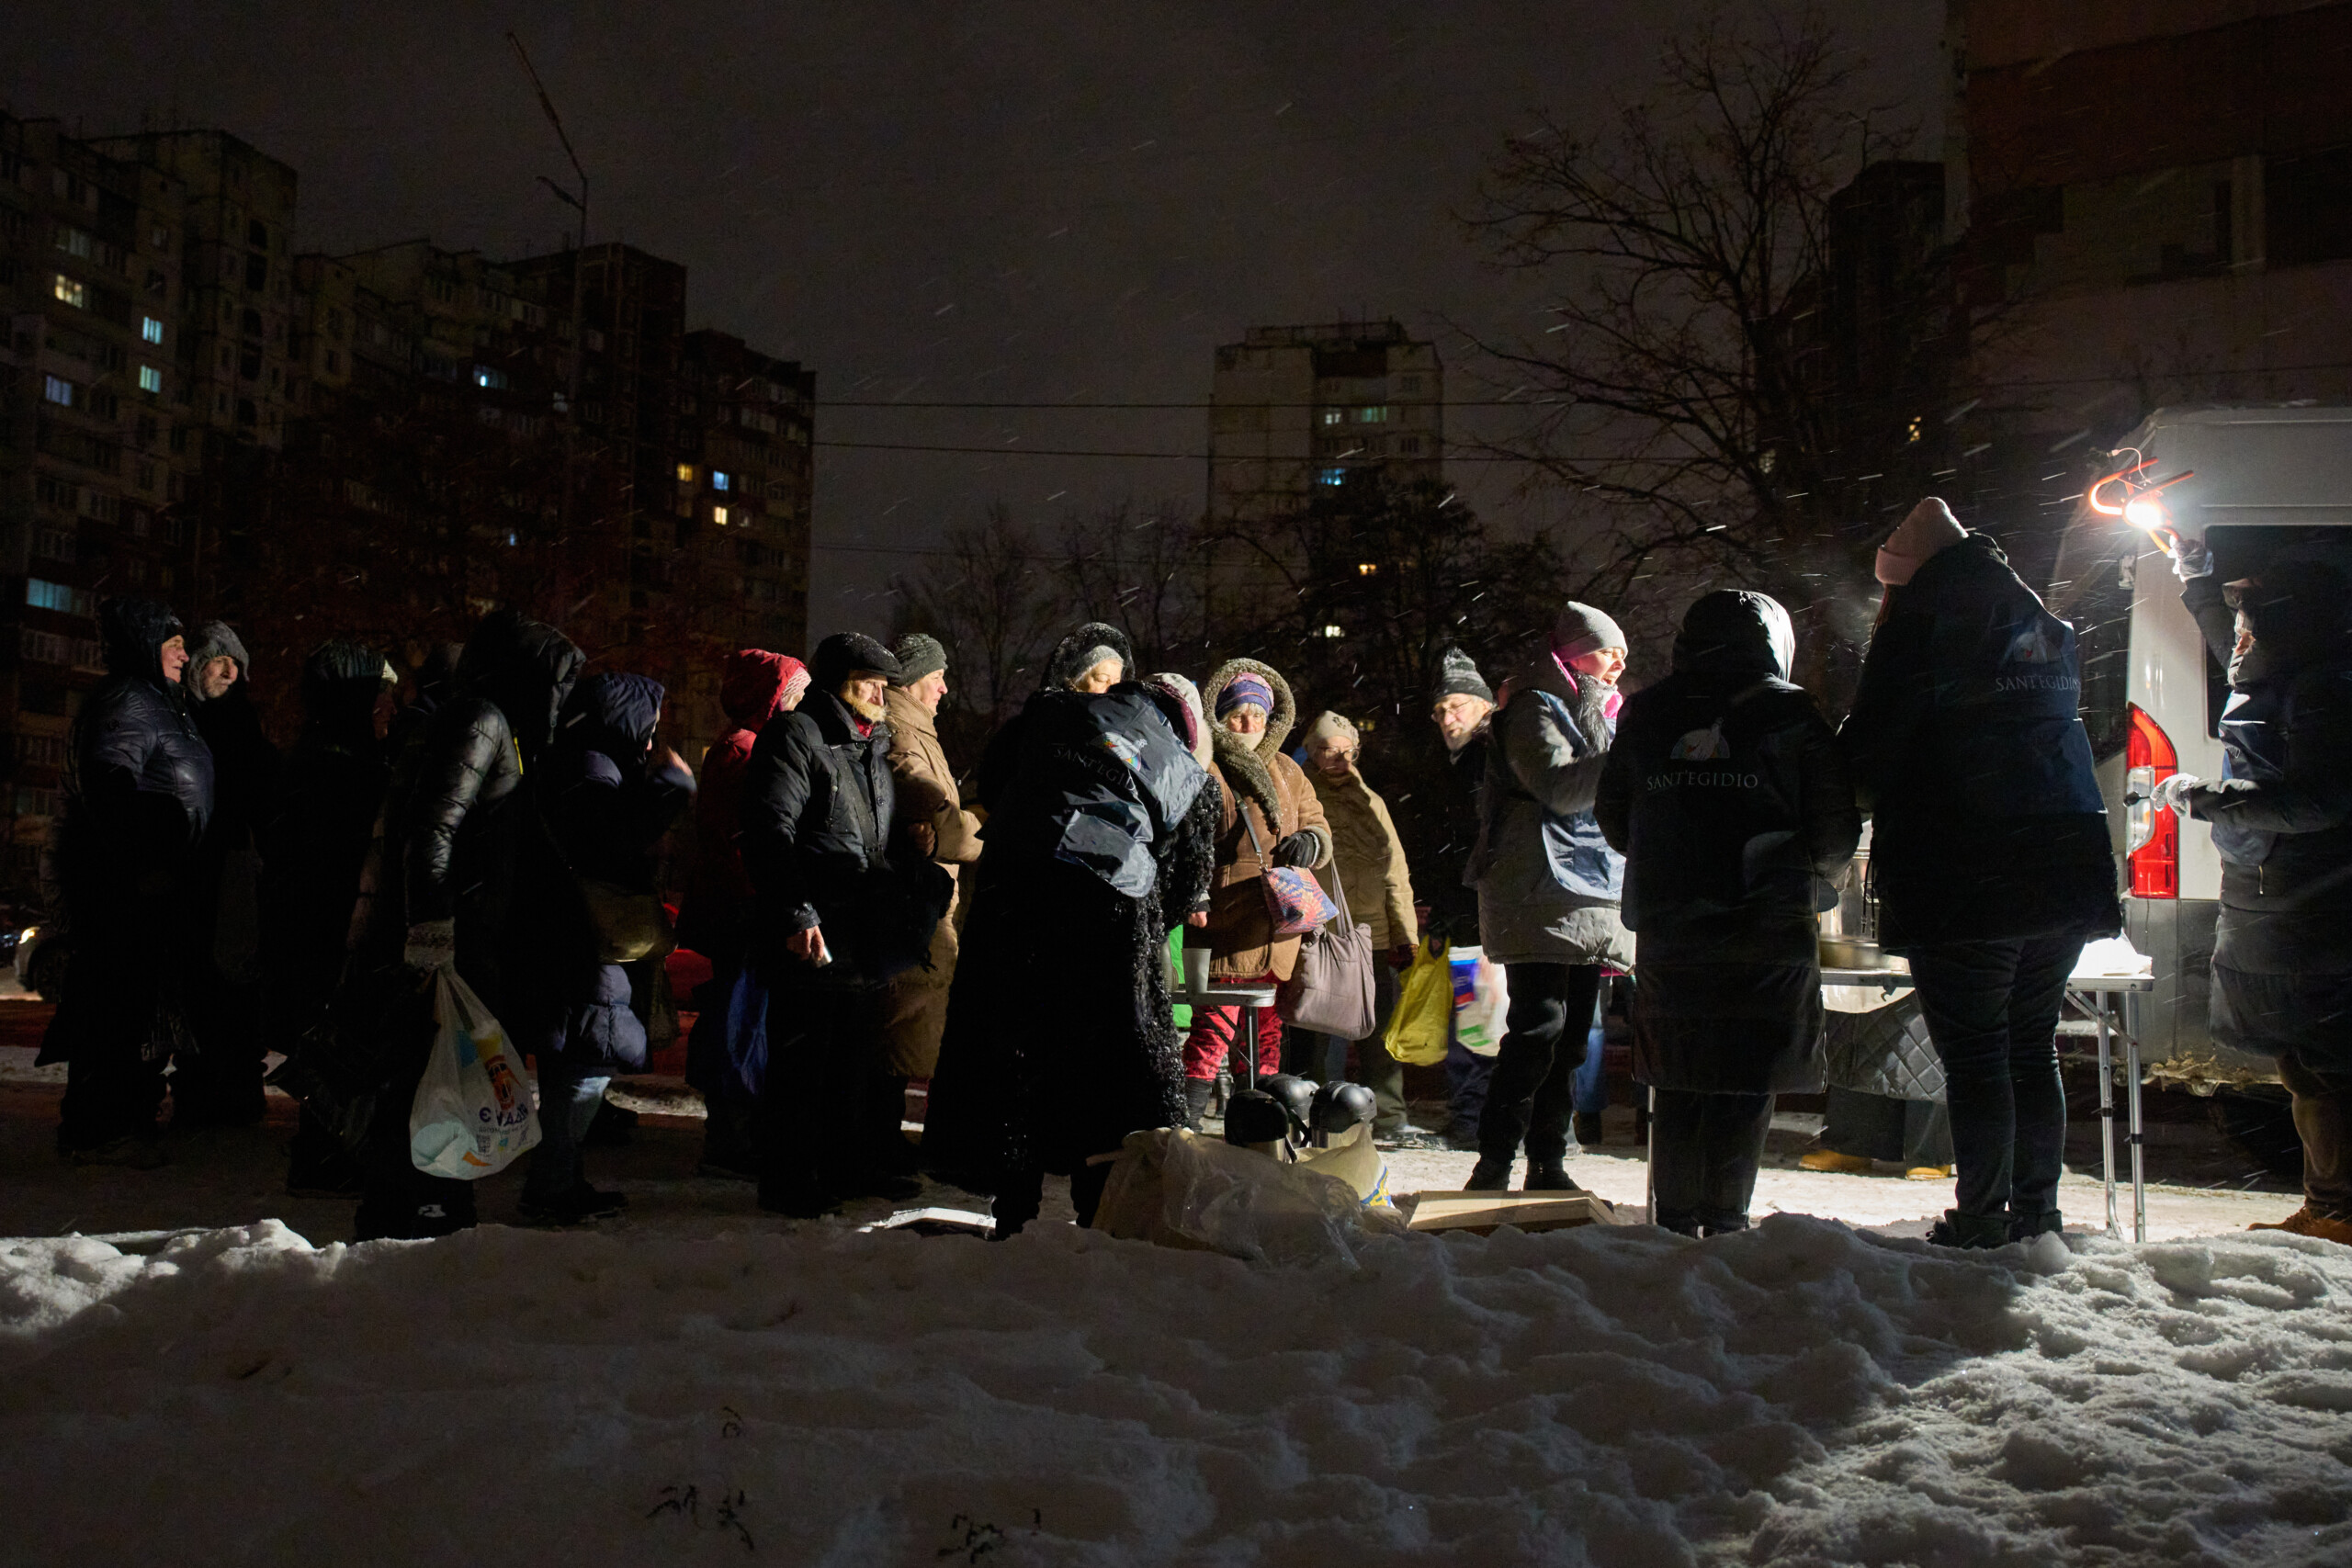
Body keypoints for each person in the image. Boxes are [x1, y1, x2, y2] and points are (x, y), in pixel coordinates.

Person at [1840, 498, 2121, 1249]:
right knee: (2030, 1043)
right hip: (2065, 859)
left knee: (1974, 1053)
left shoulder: (1922, 624)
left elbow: (1868, 756)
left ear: (1907, 579)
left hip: (1968, 866)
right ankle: (2038, 1212)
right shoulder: (2037, 621)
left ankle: (1982, 1216)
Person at [1598, 591, 1861, 1235]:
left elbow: (1614, 817)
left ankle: (1674, 1222)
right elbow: (1834, 832)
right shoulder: (1792, 712)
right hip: (1764, 925)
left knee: (1680, 1076)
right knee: (1746, 1077)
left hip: (1671, 925)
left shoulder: (1647, 711)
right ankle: (1725, 1221)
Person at [924, 671, 1218, 1235]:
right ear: (1186, 726)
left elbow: (993, 781)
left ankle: (1012, 1209)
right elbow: (1184, 880)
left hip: (1009, 894)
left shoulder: (1054, 716)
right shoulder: (1184, 770)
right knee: (1101, 1064)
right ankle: (1095, 1210)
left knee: (1015, 1051)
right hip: (1105, 909)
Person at [348, 609, 584, 1241]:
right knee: (432, 1072)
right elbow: (433, 828)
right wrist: (433, 930)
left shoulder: (482, 718)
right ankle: (420, 1202)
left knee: (437, 1071)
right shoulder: (482, 720)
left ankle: (425, 1198)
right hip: (451, 936)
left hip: (460, 930)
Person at [2155, 544, 2352, 1244]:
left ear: (2287, 620)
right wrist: (2196, 578)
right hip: (2274, 895)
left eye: (2250, 613)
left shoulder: (2326, 689)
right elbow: (2227, 642)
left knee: (2324, 1064)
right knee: (2302, 1060)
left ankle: (2339, 1210)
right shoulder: (2280, 669)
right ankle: (2328, 1204)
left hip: (2313, 900)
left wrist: (2207, 797)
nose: (2236, 629)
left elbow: (2322, 800)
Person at [739, 632, 950, 1216]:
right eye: (869, 684)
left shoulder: (871, 745)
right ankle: (788, 1181)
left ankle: (843, 1168)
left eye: (885, 685)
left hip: (859, 933)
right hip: (811, 931)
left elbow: (868, 842)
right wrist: (795, 910)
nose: (881, 695)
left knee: (850, 1063)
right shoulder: (796, 736)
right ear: (839, 684)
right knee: (802, 1065)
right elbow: (769, 831)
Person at [1465, 604, 1634, 1191]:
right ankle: (1493, 1163)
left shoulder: (1601, 716)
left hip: (1590, 890)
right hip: (1536, 886)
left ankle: (1548, 1162)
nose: (1619, 661)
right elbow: (1562, 788)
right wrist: (1631, 761)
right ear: (1572, 653)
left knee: (1570, 1040)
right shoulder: (1537, 706)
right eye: (1608, 649)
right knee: (1538, 1028)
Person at [524, 672, 695, 1224]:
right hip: (586, 940)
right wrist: (670, 785)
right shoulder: (593, 767)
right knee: (585, 1061)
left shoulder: (578, 759)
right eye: (647, 724)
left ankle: (560, 1178)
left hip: (570, 936)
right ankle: (551, 1184)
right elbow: (610, 838)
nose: (650, 738)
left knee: (577, 1059)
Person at [47, 599, 213, 1166]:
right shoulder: (128, 700)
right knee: (116, 1003)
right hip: (129, 886)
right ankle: (100, 1125)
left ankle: (126, 1114)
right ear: (147, 647)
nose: (186, 655)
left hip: (153, 881)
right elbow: (109, 785)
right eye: (174, 645)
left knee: (142, 1005)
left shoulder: (158, 701)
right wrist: (149, 852)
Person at [259, 641, 395, 1195]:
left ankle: (328, 1153)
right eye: (379, 695)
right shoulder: (336, 761)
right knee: (334, 1040)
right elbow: (325, 856)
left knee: (333, 1039)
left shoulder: (330, 752)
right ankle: (324, 1159)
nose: (388, 706)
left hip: (319, 925)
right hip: (328, 928)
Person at [1182, 659, 1332, 1127]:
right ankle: (1182, 1134)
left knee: (1267, 1038)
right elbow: (1186, 840)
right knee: (1212, 1034)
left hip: (1281, 926)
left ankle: (1258, 1137)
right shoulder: (1204, 767)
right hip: (1228, 924)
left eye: (1260, 716)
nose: (1250, 726)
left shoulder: (1288, 770)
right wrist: (1194, 895)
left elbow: (1318, 824)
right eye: (1238, 716)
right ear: (1220, 718)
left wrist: (1312, 842)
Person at [678, 648, 808, 1178]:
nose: (802, 701)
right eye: (794, 692)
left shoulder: (749, 746)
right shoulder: (743, 751)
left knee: (744, 1020)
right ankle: (730, 1139)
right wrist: (766, 893)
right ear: (771, 696)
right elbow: (741, 839)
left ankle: (736, 1133)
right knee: (740, 1022)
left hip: (742, 905)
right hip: (742, 909)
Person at [1293, 710, 1426, 1143]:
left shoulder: (1373, 801)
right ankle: (1312, 1111)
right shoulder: (1299, 793)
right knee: (1315, 1027)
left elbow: (1395, 871)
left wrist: (1404, 934)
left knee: (1378, 1033)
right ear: (1312, 753)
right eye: (1327, 751)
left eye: (1345, 751)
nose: (1337, 759)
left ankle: (1387, 1116)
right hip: (1319, 931)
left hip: (1373, 934)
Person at [876, 633, 983, 1168]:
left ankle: (883, 1140)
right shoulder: (901, 732)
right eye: (936, 676)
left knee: (907, 1021)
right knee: (898, 1022)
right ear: (913, 679)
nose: (944, 687)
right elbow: (946, 825)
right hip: (914, 903)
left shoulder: (917, 729)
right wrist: (982, 824)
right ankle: (878, 1143)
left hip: (926, 901)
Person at [173, 620, 280, 1127]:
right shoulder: (176, 717)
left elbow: (264, 793)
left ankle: (234, 1091)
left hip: (231, 869)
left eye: (236, 662)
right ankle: (201, 1090)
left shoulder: (239, 720)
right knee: (195, 985)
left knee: (232, 983)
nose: (231, 671)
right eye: (219, 660)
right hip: (190, 869)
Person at [1430, 646, 1499, 1148]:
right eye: (1440, 710)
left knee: (1479, 1019)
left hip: (1482, 911)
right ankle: (1473, 1116)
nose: (1447, 717)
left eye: (1457, 705)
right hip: (1468, 911)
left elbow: (1470, 840)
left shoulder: (1485, 761)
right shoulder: (1458, 764)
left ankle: (1475, 1120)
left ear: (1485, 707)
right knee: (1475, 1015)